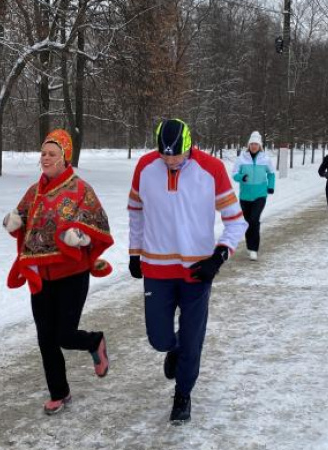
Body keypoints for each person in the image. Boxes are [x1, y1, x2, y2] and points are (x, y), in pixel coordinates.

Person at [127, 118, 247, 424]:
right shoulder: (144, 167)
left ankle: (183, 395)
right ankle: (173, 347)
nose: (170, 161)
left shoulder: (212, 169)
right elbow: (136, 212)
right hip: (156, 266)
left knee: (193, 339)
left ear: (189, 145)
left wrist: (219, 256)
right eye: (165, 155)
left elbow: (236, 220)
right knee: (159, 338)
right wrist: (134, 252)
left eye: (176, 155)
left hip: (197, 269)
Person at [4, 129, 113, 415]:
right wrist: (14, 220)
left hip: (72, 274)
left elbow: (98, 225)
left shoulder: (81, 189)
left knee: (64, 335)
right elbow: (23, 215)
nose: (46, 158)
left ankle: (94, 341)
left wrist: (82, 237)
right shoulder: (34, 190)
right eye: (43, 153)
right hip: (41, 276)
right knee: (45, 338)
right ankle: (59, 392)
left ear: (65, 158)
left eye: (52, 153)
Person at [232, 131, 275, 261]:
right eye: (252, 144)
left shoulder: (265, 159)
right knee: (247, 222)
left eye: (256, 144)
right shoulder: (241, 158)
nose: (254, 146)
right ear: (249, 145)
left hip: (260, 195)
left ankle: (254, 249)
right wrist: (241, 177)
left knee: (254, 220)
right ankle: (249, 246)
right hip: (245, 196)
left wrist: (270, 186)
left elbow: (271, 174)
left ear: (260, 145)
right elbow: (234, 174)